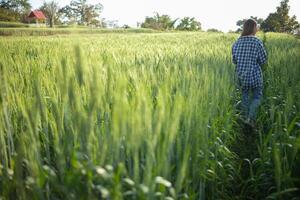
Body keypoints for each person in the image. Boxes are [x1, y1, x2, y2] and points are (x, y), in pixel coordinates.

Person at [232, 19, 267, 127]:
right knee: (257, 97)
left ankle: (244, 119)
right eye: (256, 26)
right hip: (255, 76)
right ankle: (250, 119)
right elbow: (263, 60)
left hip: (242, 76)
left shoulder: (236, 43)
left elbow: (234, 61)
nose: (257, 28)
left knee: (245, 96)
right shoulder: (257, 41)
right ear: (253, 28)